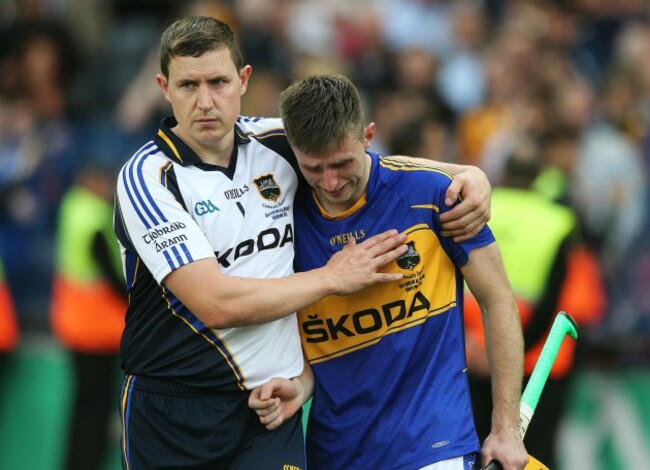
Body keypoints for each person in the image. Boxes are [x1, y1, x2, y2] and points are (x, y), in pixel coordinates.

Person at [114, 16, 492, 470]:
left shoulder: (278, 141)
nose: (206, 101)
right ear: (164, 87)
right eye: (188, 85)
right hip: (175, 410)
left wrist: (466, 174)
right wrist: (332, 278)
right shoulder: (147, 179)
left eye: (218, 82)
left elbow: (359, 157)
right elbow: (214, 304)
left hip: (270, 409)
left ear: (243, 79)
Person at [248, 74, 528, 470]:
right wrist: (299, 385)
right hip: (335, 454)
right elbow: (313, 340)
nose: (331, 182)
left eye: (342, 164)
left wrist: (505, 428)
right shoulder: (281, 223)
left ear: (368, 136)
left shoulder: (436, 195)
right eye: (314, 168)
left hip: (434, 445)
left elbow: (497, 300)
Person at [464, 143, 606, 469]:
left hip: (474, 358)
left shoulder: (475, 210)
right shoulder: (556, 221)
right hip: (539, 365)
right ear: (538, 178)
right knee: (535, 455)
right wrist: (513, 350)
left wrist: (482, 351)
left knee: (477, 453)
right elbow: (551, 302)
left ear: (503, 175)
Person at [50, 163, 127, 470]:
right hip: (98, 328)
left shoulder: (72, 204)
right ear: (92, 180)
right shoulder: (95, 214)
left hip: (73, 323)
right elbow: (108, 272)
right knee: (96, 408)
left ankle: (74, 463)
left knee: (82, 405)